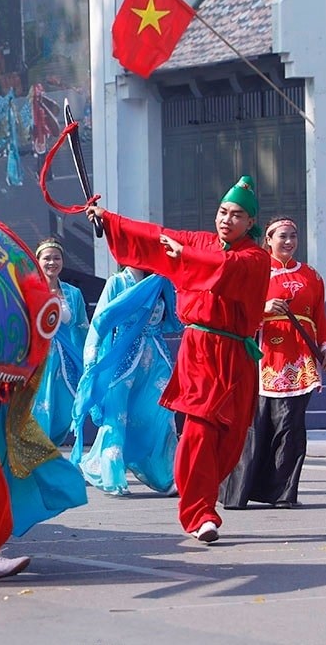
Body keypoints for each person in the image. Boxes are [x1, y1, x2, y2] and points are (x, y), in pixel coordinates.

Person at [85, 175, 269, 543]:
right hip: (200, 351)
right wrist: (108, 220)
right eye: (222, 212)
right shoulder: (200, 241)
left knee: (228, 441)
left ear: (250, 223)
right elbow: (155, 237)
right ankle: (201, 512)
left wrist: (186, 256)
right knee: (199, 430)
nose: (226, 220)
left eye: (236, 215)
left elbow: (224, 270)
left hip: (236, 356)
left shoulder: (256, 258)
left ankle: (198, 494)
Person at [220, 216, 326, 509]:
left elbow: (319, 316)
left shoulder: (312, 275)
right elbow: (234, 311)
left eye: (293, 236)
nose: (289, 241)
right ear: (268, 240)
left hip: (300, 360)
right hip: (261, 358)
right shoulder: (255, 271)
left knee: (291, 426)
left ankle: (283, 493)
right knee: (255, 425)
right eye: (282, 236)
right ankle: (239, 492)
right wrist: (264, 308)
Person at [71, 266, 182, 495]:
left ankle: (167, 475)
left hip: (157, 357)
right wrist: (92, 359)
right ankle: (111, 473)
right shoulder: (117, 283)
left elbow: (176, 320)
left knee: (162, 414)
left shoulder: (161, 281)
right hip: (123, 358)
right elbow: (101, 320)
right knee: (117, 414)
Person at [30, 238, 88, 446]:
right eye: (47, 258)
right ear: (38, 261)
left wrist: (87, 359)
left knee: (65, 411)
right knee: (39, 408)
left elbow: (82, 327)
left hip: (67, 362)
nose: (52, 262)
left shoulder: (73, 293)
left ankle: (50, 449)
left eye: (56, 258)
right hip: (38, 361)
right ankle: (39, 456)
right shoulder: (29, 290)